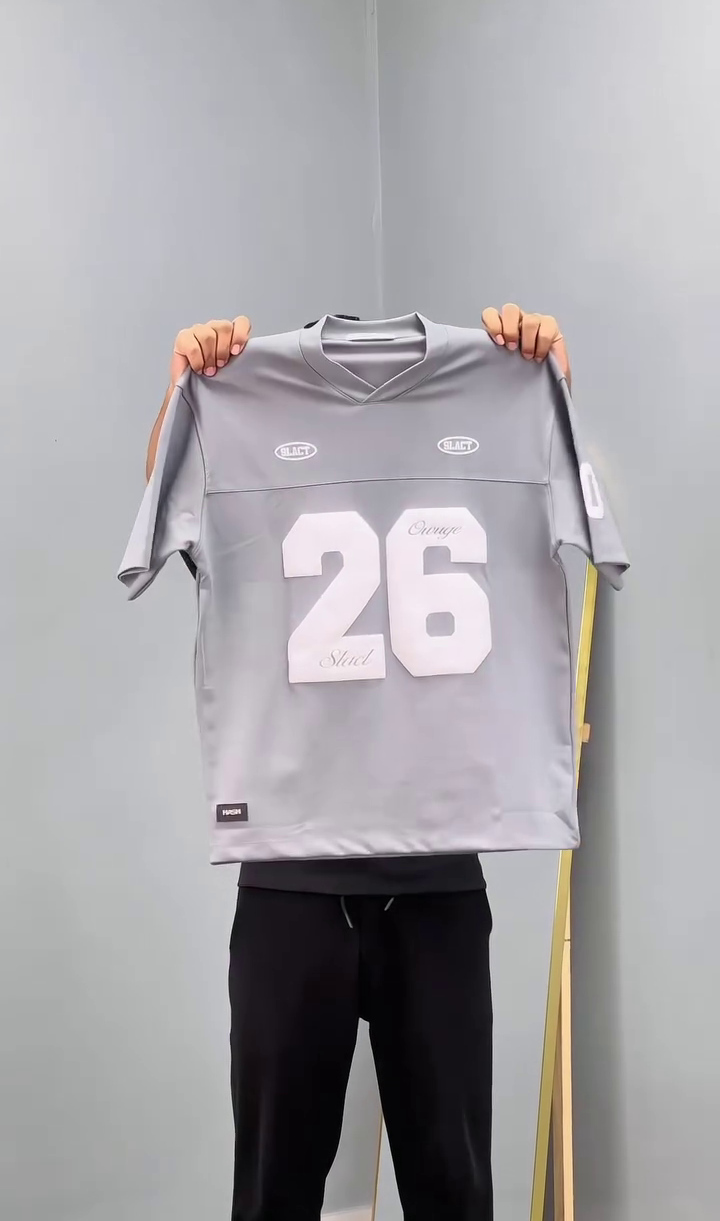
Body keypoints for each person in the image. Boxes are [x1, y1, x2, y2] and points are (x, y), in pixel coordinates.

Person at [145, 305, 571, 1221]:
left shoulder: (508, 391)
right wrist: (184, 395)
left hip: (437, 873)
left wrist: (546, 384)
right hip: (289, 879)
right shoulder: (239, 405)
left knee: (454, 1190)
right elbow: (169, 515)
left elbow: (554, 506)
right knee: (273, 1191)